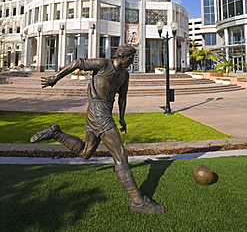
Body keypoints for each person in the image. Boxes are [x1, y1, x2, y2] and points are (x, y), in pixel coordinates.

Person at [30, 44, 164, 215]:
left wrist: (122, 117)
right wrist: (55, 78)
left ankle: (56, 132)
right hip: (98, 111)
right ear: (124, 56)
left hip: (101, 112)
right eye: (131, 58)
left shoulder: (124, 74)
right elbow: (78, 63)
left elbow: (122, 97)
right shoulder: (103, 64)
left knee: (86, 152)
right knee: (120, 155)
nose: (132, 61)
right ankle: (137, 202)